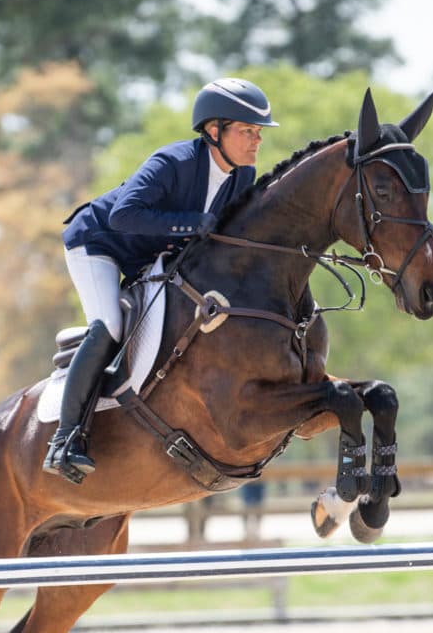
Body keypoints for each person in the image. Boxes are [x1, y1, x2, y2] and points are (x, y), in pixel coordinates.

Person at [44, 77, 278, 482]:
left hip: (147, 255)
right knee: (110, 326)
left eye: (258, 132)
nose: (256, 140)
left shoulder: (242, 175)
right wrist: (193, 225)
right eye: (247, 131)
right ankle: (65, 440)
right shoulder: (173, 162)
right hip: (98, 243)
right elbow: (124, 216)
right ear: (213, 131)